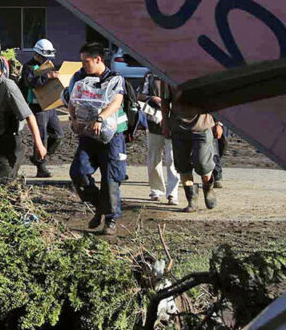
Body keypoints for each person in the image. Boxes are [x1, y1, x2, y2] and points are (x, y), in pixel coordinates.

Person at [63, 42, 127, 236]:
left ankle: (110, 220)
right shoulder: (79, 77)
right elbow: (72, 99)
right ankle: (100, 205)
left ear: (98, 59)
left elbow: (117, 101)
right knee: (78, 172)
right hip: (87, 135)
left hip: (112, 136)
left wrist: (101, 118)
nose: (82, 65)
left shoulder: (114, 78)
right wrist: (73, 119)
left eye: (86, 61)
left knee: (111, 179)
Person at [0, 52, 47, 183]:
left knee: (1, 184)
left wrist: (39, 144)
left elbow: (29, 116)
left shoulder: (8, 87)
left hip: (10, 145)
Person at [162, 90, 220, 213]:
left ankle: (208, 187)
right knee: (182, 165)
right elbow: (165, 101)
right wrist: (165, 124)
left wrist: (219, 123)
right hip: (178, 126)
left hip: (202, 125)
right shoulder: (167, 75)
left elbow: (217, 96)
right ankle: (191, 200)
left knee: (202, 164)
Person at [17, 38, 63, 178]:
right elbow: (31, 83)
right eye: (43, 57)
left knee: (58, 136)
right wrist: (48, 76)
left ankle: (38, 158)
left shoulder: (47, 65)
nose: (45, 60)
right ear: (36, 54)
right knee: (41, 137)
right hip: (37, 108)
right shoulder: (28, 68)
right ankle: (41, 167)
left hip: (50, 106)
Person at [142, 74, 179, 205]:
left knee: (173, 158)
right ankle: (156, 190)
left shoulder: (176, 74)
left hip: (174, 123)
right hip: (154, 122)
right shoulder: (150, 76)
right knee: (154, 158)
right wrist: (151, 98)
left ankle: (173, 193)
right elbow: (140, 95)